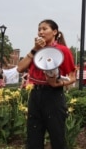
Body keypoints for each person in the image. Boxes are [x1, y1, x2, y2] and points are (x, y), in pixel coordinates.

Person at [17, 19, 76, 149]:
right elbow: (20, 68)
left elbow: (72, 77)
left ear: (54, 32)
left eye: (44, 29)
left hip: (53, 96)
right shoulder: (36, 51)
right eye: (39, 29)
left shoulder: (62, 50)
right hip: (35, 95)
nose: (41, 32)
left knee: (57, 137)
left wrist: (58, 84)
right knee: (33, 138)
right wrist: (35, 49)